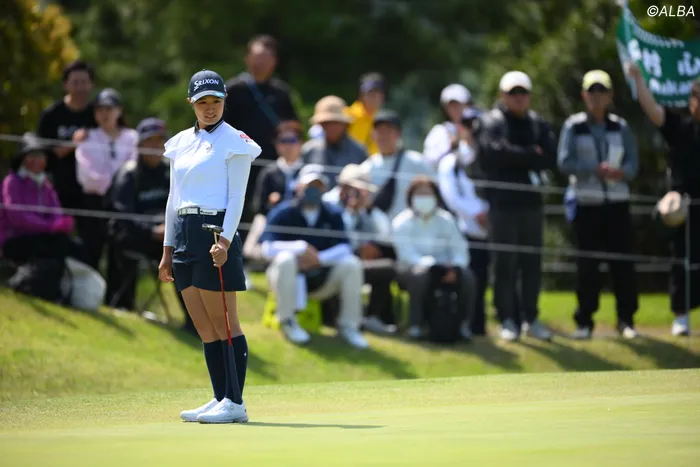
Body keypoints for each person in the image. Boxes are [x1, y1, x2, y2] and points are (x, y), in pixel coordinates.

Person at [158, 70, 262, 424]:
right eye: (202, 102)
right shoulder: (179, 143)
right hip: (185, 234)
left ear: (224, 101)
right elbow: (173, 199)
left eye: (215, 101)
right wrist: (167, 251)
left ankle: (235, 402)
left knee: (225, 323)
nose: (209, 108)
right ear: (191, 103)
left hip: (215, 232)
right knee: (203, 326)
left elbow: (237, 198)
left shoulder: (236, 142)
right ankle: (220, 397)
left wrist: (226, 241)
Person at [476, 70, 557, 342]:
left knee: (532, 263)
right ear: (502, 95)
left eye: (523, 92)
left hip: (531, 204)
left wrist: (514, 154)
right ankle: (506, 318)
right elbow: (492, 152)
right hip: (502, 205)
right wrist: (530, 154)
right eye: (513, 93)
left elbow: (550, 157)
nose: (519, 98)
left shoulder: (537, 123)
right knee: (504, 264)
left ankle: (530, 318)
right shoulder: (491, 121)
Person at [558, 70, 640, 339]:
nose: (596, 96)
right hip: (586, 203)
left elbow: (633, 164)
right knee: (587, 267)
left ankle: (626, 320)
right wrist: (593, 169)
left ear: (610, 95)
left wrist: (620, 172)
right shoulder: (573, 126)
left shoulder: (620, 126)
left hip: (617, 203)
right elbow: (564, 162)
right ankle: (584, 322)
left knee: (622, 265)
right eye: (592, 91)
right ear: (584, 95)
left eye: (601, 91)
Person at [626, 62, 700, 336]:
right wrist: (638, 78)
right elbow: (653, 110)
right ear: (691, 101)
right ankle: (681, 316)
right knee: (682, 260)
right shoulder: (681, 127)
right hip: (684, 207)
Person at [260, 164, 368, 349]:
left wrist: (319, 258)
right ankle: (287, 321)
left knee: (353, 264)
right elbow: (266, 248)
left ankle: (349, 327)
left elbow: (345, 247)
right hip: (284, 278)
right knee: (286, 259)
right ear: (299, 187)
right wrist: (299, 249)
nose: (314, 191)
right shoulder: (283, 211)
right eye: (310, 186)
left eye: (318, 187)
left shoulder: (333, 213)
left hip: (321, 278)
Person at [107, 118, 195, 334]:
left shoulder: (170, 172)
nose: (155, 147)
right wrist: (152, 231)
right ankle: (124, 305)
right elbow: (123, 216)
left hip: (167, 236)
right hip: (133, 236)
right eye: (150, 141)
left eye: (159, 141)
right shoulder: (128, 174)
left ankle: (196, 321)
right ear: (139, 145)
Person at [223, 35, 299, 243]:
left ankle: (262, 249)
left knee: (268, 208)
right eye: (257, 57)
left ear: (274, 61)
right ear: (247, 58)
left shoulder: (281, 93)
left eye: (266, 58)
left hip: (271, 165)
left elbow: (295, 127)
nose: (260, 62)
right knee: (235, 208)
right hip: (238, 162)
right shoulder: (232, 90)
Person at [392, 176, 475, 340]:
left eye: (428, 194)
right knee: (419, 276)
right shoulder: (401, 222)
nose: (424, 198)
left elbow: (460, 248)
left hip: (447, 269)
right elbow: (406, 254)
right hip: (412, 270)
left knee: (467, 277)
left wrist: (455, 267)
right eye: (419, 194)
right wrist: (433, 267)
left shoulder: (447, 220)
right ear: (411, 197)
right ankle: (416, 325)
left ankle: (463, 326)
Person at [323, 164, 397, 334]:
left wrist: (367, 210)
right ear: (343, 186)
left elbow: (383, 235)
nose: (356, 193)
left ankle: (372, 316)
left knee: (386, 267)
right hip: (331, 261)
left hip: (355, 261)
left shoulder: (365, 208)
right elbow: (340, 240)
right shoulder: (328, 204)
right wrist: (351, 211)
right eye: (353, 188)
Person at [437, 111, 490, 336]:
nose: (473, 130)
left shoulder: (491, 157)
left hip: (492, 229)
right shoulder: (451, 161)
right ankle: (468, 323)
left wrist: (490, 215)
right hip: (465, 230)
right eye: (467, 124)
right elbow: (451, 196)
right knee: (469, 279)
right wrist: (477, 214)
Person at [75, 89, 138, 270]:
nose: (105, 114)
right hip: (95, 203)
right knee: (90, 252)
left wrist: (118, 188)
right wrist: (114, 185)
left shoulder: (132, 138)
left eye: (109, 109)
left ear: (119, 110)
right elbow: (86, 176)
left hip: (124, 204)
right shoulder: (87, 138)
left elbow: (133, 168)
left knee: (122, 256)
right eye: (100, 110)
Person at [0, 133, 81, 265]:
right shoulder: (12, 182)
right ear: (23, 159)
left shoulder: (45, 185)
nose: (37, 160)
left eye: (40, 156)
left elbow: (56, 211)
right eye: (32, 155)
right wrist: (50, 226)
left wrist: (61, 223)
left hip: (40, 236)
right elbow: (17, 217)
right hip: (15, 238)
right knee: (47, 249)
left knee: (74, 247)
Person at [37, 60, 96, 211]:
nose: (80, 87)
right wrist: (73, 144)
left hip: (92, 191)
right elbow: (43, 154)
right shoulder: (51, 115)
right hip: (58, 190)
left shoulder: (97, 115)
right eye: (75, 83)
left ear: (91, 85)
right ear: (65, 84)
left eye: (84, 82)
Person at [360, 110, 433, 222]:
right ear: (373, 135)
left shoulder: (416, 162)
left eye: (388, 131)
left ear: (398, 133)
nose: (383, 136)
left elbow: (435, 192)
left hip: (412, 228)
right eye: (379, 131)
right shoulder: (367, 167)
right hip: (378, 230)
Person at [301, 96, 368, 188]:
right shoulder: (309, 150)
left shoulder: (359, 152)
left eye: (335, 122)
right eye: (326, 123)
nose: (330, 127)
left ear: (345, 124)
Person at [252, 123, 304, 217]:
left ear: (301, 143)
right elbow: (258, 206)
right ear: (276, 144)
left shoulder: (309, 171)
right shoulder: (268, 172)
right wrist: (270, 202)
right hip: (272, 219)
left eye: (292, 140)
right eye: (283, 141)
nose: (288, 145)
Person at [423, 84, 474, 172]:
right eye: (451, 106)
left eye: (458, 105)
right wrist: (450, 145)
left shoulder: (477, 128)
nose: (455, 109)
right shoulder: (439, 131)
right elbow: (428, 160)